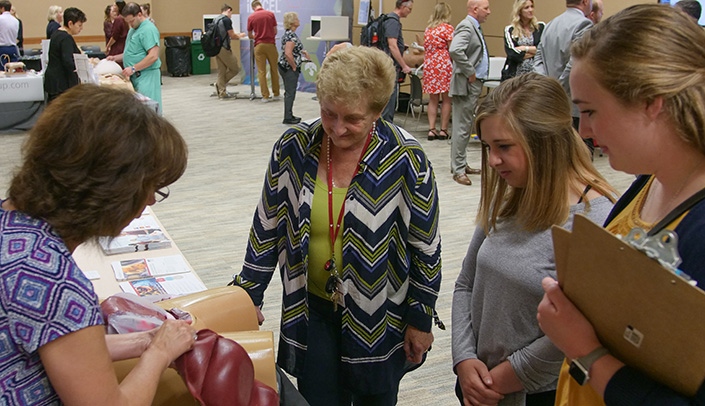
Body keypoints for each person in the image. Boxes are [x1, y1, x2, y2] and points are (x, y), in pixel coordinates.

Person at [231, 46, 442, 406]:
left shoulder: (406, 158)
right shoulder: (293, 147)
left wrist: (420, 317)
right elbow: (267, 225)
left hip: (380, 315)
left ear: (377, 111)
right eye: (329, 113)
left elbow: (426, 246)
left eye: (353, 118)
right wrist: (247, 293)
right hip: (312, 308)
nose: (338, 128)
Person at [536, 5, 705, 405]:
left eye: (591, 111)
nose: (585, 129)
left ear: (653, 102)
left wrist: (587, 352)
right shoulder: (648, 183)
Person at [0, 84, 194, 405]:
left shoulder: (13, 227)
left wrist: (145, 341)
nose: (148, 202)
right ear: (107, 191)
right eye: (146, 190)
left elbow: (62, 348)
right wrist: (158, 354)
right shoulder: (55, 282)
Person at [452, 73, 616, 406]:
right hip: (479, 385)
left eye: (504, 147)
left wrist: (498, 379)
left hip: (536, 394)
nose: (493, 160)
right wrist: (464, 360)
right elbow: (466, 284)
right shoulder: (514, 195)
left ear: (545, 142)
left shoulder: (596, 220)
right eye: (487, 147)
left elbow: (580, 333)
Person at [449, 0, 491, 186]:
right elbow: (455, 50)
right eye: (486, 8)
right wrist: (470, 71)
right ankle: (458, 170)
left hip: (471, 84)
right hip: (466, 84)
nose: (489, 12)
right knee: (462, 126)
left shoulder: (474, 27)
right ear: (475, 9)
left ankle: (461, 164)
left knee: (464, 126)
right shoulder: (466, 26)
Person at [533, 0, 592, 131]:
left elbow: (538, 59)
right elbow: (576, 61)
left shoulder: (550, 24)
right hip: (570, 103)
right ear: (585, 1)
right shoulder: (584, 24)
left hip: (549, 101)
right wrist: (558, 88)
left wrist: (547, 87)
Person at [108, 2, 162, 113]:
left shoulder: (148, 29)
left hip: (146, 75)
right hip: (136, 75)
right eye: (128, 22)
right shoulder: (133, 30)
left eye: (132, 21)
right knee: (139, 111)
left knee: (149, 111)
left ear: (139, 15)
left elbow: (153, 56)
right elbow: (132, 53)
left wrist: (133, 68)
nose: (130, 25)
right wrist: (115, 58)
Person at [423, 2, 453, 141]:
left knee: (433, 100)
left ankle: (431, 129)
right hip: (444, 64)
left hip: (430, 65)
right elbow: (452, 49)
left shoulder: (428, 29)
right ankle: (443, 130)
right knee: (446, 99)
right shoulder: (447, 29)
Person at [381, 0, 414, 123]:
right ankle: (386, 127)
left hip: (387, 64)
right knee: (389, 100)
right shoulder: (393, 21)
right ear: (402, 7)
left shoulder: (390, 20)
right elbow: (392, 46)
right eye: (409, 9)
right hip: (390, 66)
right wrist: (404, 65)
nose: (410, 12)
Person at [44, 7, 86, 102]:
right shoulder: (65, 38)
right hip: (60, 83)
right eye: (79, 25)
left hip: (53, 81)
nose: (81, 28)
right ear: (70, 24)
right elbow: (68, 61)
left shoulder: (57, 34)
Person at [278, 11, 309, 125]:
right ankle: (288, 116)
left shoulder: (289, 34)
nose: (299, 20)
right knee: (290, 92)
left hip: (284, 66)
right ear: (292, 22)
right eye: (297, 19)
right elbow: (288, 53)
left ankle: (289, 114)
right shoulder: (291, 36)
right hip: (288, 68)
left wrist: (301, 52)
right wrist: (294, 66)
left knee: (289, 92)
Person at [501, 0, 545, 81]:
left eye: (532, 6)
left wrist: (525, 48)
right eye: (526, 8)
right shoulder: (510, 29)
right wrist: (535, 51)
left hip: (536, 74)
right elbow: (512, 54)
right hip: (515, 75)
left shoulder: (541, 27)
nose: (530, 10)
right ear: (519, 11)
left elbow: (544, 50)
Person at [247, 0, 280, 102]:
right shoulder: (270, 14)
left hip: (259, 45)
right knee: (274, 69)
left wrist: (255, 36)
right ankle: (276, 93)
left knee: (261, 71)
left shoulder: (251, 17)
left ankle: (265, 96)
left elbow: (249, 34)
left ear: (253, 7)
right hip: (270, 44)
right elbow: (275, 31)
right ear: (261, 5)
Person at [214, 3, 246, 100]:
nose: (231, 15)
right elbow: (232, 35)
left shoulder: (216, 19)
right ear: (228, 10)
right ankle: (220, 85)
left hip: (216, 48)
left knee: (221, 70)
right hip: (224, 48)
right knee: (235, 68)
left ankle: (222, 91)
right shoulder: (226, 20)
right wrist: (240, 35)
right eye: (231, 13)